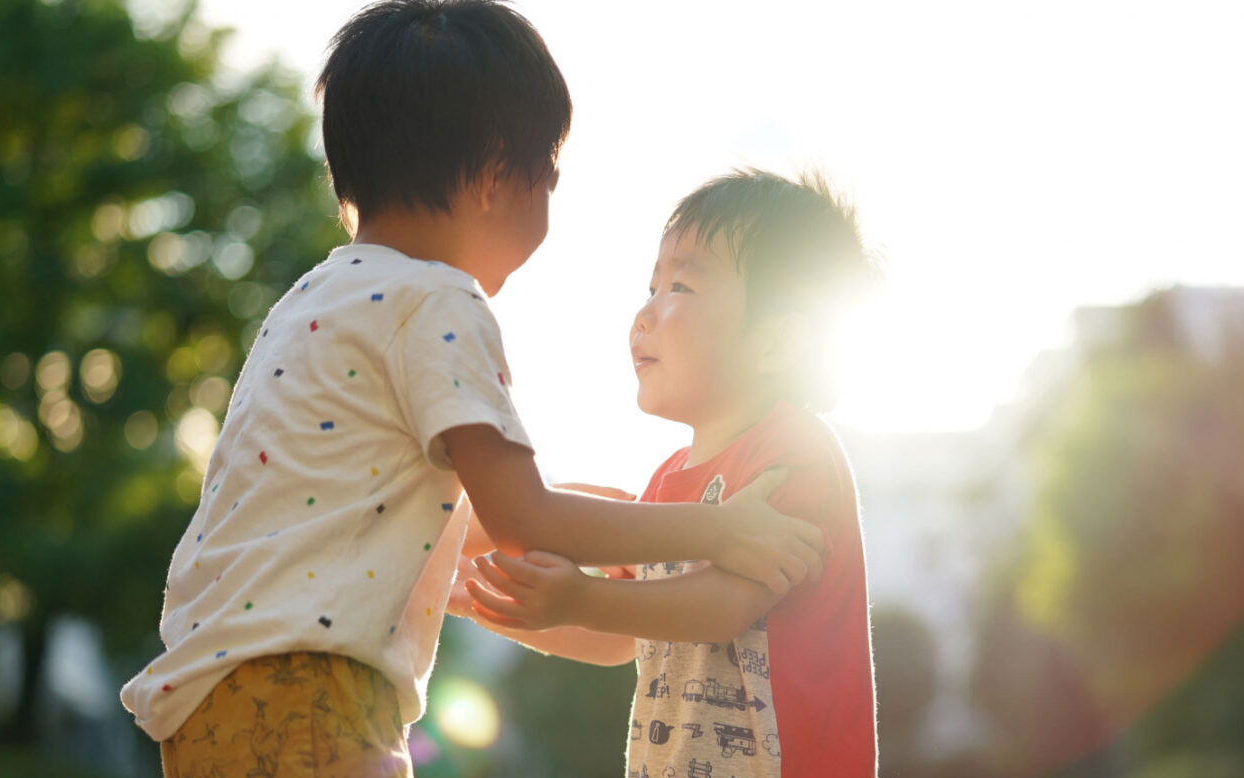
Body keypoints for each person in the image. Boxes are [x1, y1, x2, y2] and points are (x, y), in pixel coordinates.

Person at [119, 5, 824, 775]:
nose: (548, 203)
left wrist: (594, 522)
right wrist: (714, 531)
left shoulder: (316, 299)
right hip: (307, 687)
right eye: (546, 177)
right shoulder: (438, 303)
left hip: (213, 699)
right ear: (495, 177)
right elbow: (523, 517)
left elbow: (369, 506)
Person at [455, 169, 882, 777]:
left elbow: (724, 604)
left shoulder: (795, 452)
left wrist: (582, 593)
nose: (643, 315)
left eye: (679, 286)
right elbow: (624, 633)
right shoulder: (667, 480)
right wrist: (507, 607)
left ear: (775, 344)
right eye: (650, 287)